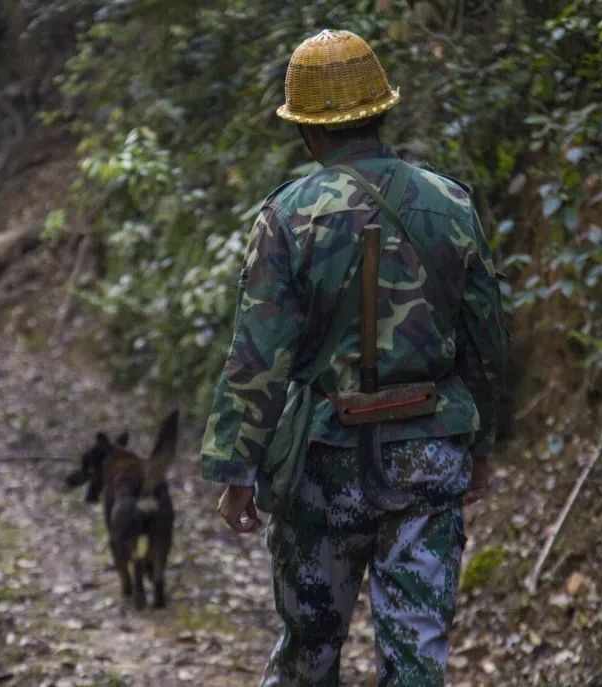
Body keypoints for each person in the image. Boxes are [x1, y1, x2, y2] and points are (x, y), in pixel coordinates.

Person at [201, 28, 507, 687]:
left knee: (307, 655)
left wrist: (234, 471)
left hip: (319, 463)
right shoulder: (450, 204)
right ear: (383, 113)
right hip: (428, 457)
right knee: (417, 661)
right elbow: (486, 342)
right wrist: (482, 447)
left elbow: (257, 359)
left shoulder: (285, 218)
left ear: (306, 133)